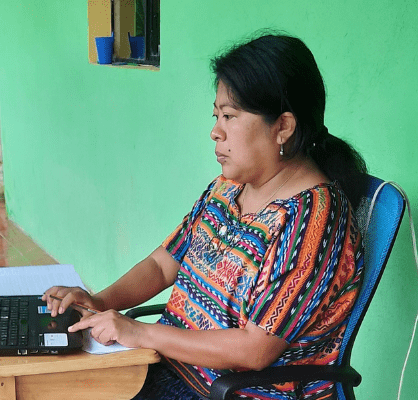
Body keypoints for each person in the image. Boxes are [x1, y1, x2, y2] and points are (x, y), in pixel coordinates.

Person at [43, 32, 368, 400]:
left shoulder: (313, 221)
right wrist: (100, 302)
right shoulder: (228, 187)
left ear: (283, 127)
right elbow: (164, 264)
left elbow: (254, 349)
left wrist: (139, 332)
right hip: (168, 369)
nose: (215, 131)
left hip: (232, 393)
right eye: (217, 116)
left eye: (230, 116)